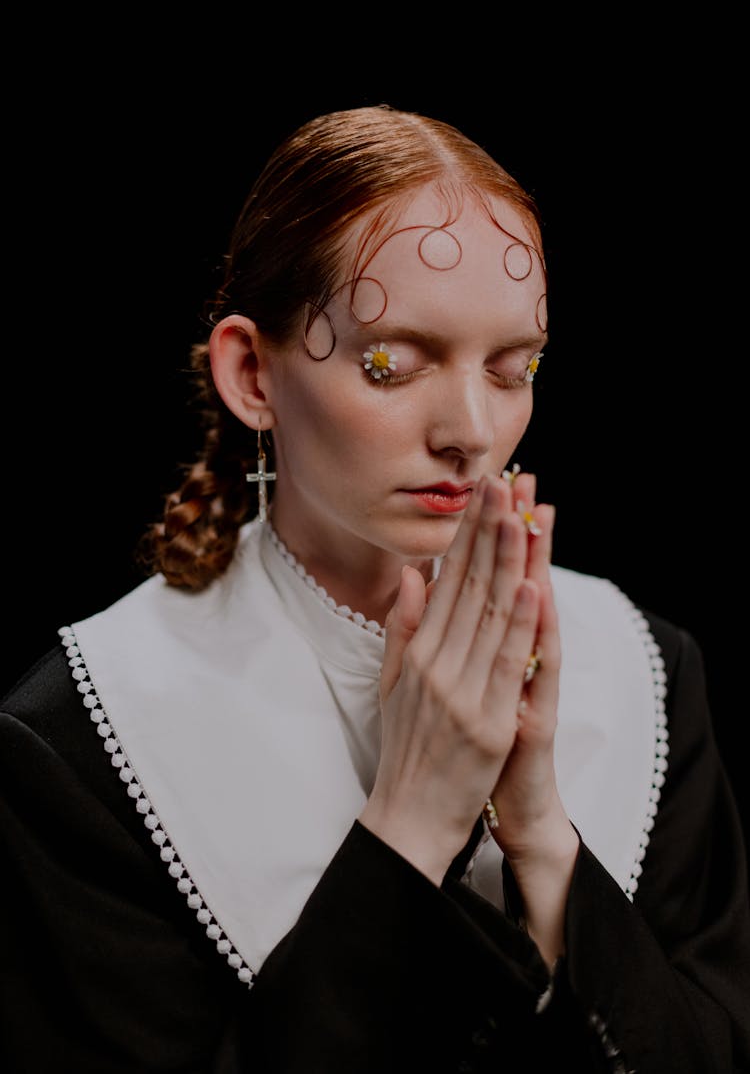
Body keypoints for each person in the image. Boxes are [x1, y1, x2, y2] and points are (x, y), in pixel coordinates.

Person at [1, 104, 748, 1074]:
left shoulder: (648, 670)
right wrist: (413, 817)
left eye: (514, 368)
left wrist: (540, 836)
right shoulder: (76, 740)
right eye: (392, 363)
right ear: (251, 374)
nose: (471, 430)